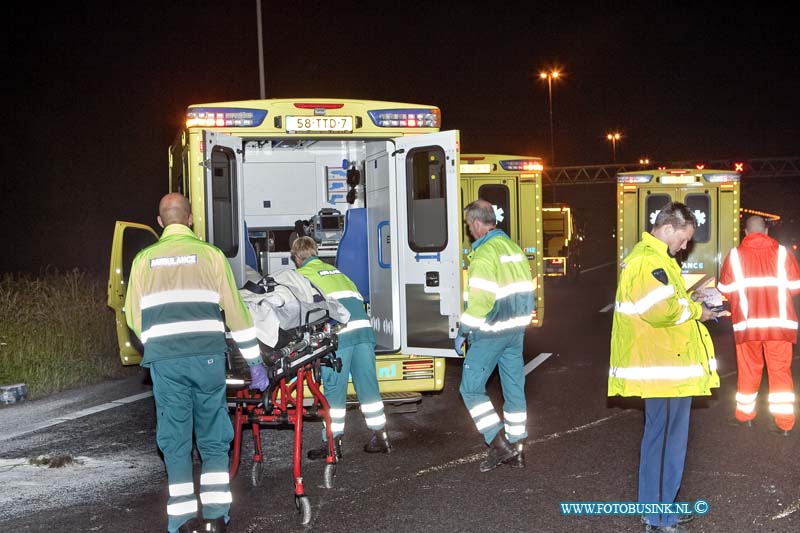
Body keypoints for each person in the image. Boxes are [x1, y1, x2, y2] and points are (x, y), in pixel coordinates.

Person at [125, 193, 268, 533]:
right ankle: (216, 517)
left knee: (174, 439)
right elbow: (237, 314)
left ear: (160, 222)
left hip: (166, 362)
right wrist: (254, 362)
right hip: (207, 357)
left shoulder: (143, 261)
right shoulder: (211, 256)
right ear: (190, 219)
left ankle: (183, 519)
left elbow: (132, 316)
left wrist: (159, 343)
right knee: (214, 437)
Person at [609, 202, 722, 533]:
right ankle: (658, 516)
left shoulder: (656, 259)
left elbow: (667, 303)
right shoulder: (650, 260)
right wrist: (699, 311)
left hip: (666, 366)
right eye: (684, 238)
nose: (685, 245)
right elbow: (660, 311)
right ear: (669, 228)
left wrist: (692, 300)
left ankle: (659, 508)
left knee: (663, 441)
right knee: (665, 444)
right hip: (664, 369)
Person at [290, 236, 391, 458]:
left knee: (334, 390)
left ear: (296, 258)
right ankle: (380, 436)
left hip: (340, 336)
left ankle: (332, 444)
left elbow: (302, 312)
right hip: (364, 331)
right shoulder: (337, 272)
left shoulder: (301, 276)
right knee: (368, 386)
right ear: (316, 252)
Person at [457, 199, 534, 473]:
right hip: (515, 331)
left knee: (470, 388)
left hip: (491, 331)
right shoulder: (512, 248)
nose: (469, 230)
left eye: (468, 225)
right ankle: (517, 448)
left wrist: (464, 329)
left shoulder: (485, 253)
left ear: (477, 223)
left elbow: (480, 301)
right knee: (514, 389)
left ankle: (497, 443)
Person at [718, 215, 800, 436]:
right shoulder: (783, 254)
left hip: (748, 326)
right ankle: (784, 423)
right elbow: (795, 286)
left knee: (748, 371)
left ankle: (745, 417)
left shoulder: (734, 256)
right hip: (779, 327)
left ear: (745, 233)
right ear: (765, 231)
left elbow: (725, 289)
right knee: (780, 372)